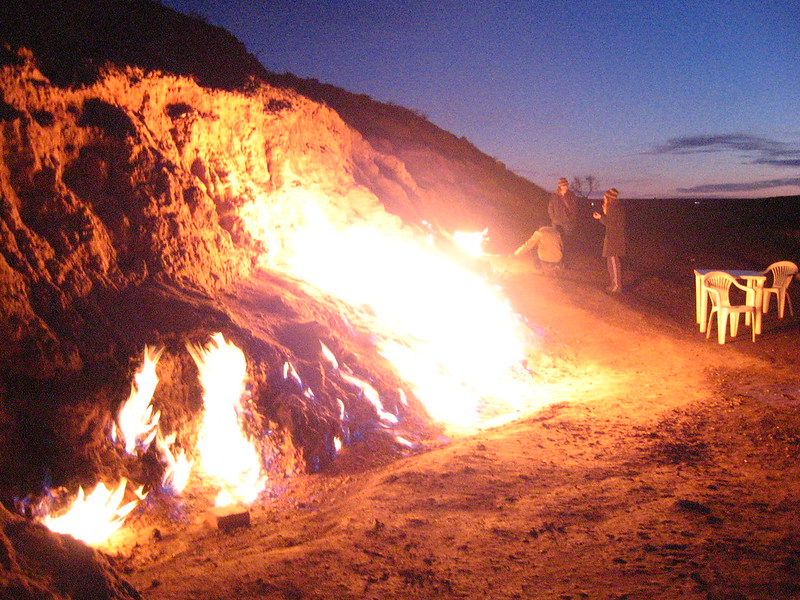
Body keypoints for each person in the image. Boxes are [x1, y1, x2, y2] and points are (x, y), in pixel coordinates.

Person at [593, 187, 626, 293]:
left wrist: (601, 217)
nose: (604, 199)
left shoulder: (613, 207)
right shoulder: (616, 206)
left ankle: (617, 286)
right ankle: (614, 285)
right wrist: (605, 214)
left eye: (605, 197)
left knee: (613, 262)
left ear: (609, 198)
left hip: (614, 239)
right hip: (614, 237)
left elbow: (610, 223)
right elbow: (612, 221)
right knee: (611, 261)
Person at [547, 177, 578, 267]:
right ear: (560, 186)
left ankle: (564, 261)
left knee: (566, 242)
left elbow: (574, 208)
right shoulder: (554, 196)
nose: (566, 187)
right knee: (555, 242)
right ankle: (554, 260)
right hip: (556, 222)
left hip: (567, 222)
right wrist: (553, 218)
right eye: (564, 185)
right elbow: (550, 207)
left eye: (566, 185)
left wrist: (571, 218)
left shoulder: (571, 195)